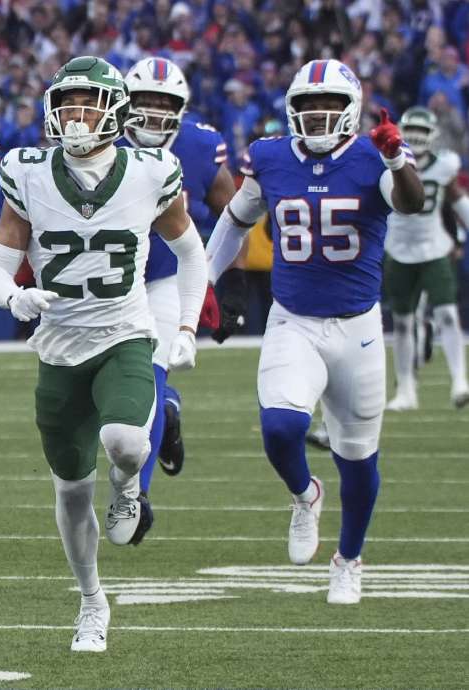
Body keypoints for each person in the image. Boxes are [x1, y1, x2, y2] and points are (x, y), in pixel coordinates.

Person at [0, 56, 207, 652]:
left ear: (113, 110)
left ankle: (130, 484)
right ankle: (91, 601)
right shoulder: (26, 171)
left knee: (126, 443)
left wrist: (184, 326)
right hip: (58, 350)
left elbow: (191, 253)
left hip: (124, 334)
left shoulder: (151, 170)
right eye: (66, 104)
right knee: (71, 491)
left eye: (87, 103)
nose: (75, 116)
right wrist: (14, 297)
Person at [206, 59, 424, 604]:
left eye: (329, 104)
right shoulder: (271, 155)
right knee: (280, 428)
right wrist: (201, 285)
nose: (319, 114)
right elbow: (235, 219)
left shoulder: (378, 152)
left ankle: (348, 558)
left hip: (359, 327)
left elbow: (413, 202)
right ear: (292, 109)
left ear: (349, 109)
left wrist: (397, 156)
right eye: (308, 105)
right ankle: (305, 494)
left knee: (359, 457)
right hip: (294, 319)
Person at [118, 56, 237, 533]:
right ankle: (170, 407)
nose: (151, 113)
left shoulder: (202, 145)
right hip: (109, 282)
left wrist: (224, 280)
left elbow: (235, 214)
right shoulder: (97, 139)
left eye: (162, 104)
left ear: (180, 108)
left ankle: (137, 495)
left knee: (149, 380)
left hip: (167, 279)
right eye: (143, 102)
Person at [383, 106, 469, 410]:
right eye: (413, 132)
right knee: (403, 323)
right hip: (398, 249)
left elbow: (458, 200)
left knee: (447, 314)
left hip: (434, 248)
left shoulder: (444, 166)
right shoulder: (390, 163)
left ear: (432, 136)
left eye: (422, 132)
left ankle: (460, 379)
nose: (417, 138)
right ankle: (406, 389)